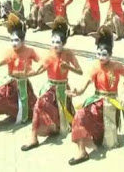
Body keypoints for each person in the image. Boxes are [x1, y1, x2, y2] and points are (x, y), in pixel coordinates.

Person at [67, 26, 124, 165]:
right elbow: (85, 84)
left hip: (112, 104)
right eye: (98, 53)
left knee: (109, 143)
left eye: (104, 54)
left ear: (110, 54)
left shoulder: (117, 66)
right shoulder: (95, 66)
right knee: (80, 115)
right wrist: (76, 92)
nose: (100, 57)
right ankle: (82, 151)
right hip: (97, 102)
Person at [21, 17, 82, 151]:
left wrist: (69, 67)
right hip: (50, 87)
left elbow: (80, 71)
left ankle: (56, 127)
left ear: (64, 43)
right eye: (53, 41)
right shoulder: (49, 54)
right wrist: (27, 72)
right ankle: (33, 137)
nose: (55, 45)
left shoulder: (69, 54)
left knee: (65, 117)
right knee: (39, 105)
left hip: (63, 88)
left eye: (58, 42)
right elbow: (38, 69)